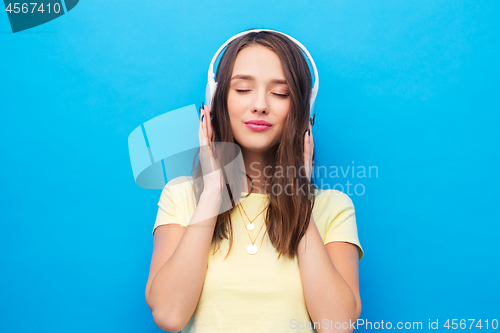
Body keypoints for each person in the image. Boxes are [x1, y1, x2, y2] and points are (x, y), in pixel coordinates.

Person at [145, 29, 364, 333]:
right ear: (216, 101)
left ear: (302, 112)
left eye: (280, 93)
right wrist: (212, 193)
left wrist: (297, 196)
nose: (260, 105)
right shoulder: (181, 196)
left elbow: (337, 325)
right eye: (243, 89)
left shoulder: (333, 207)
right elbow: (170, 315)